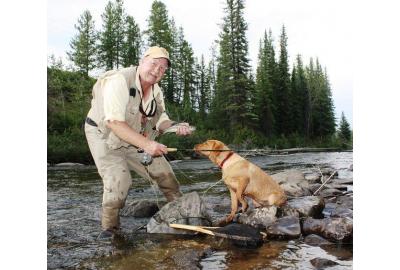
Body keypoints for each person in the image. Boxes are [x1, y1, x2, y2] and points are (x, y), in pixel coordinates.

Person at [84, 46, 192, 240]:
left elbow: (161, 121)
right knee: (119, 183)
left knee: (165, 174)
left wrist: (176, 126)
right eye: (154, 63)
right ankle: (111, 232)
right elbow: (114, 123)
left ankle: (183, 216)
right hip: (104, 135)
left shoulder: (156, 91)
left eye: (163, 68)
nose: (157, 70)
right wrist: (148, 145)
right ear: (142, 61)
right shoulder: (118, 81)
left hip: (135, 136)